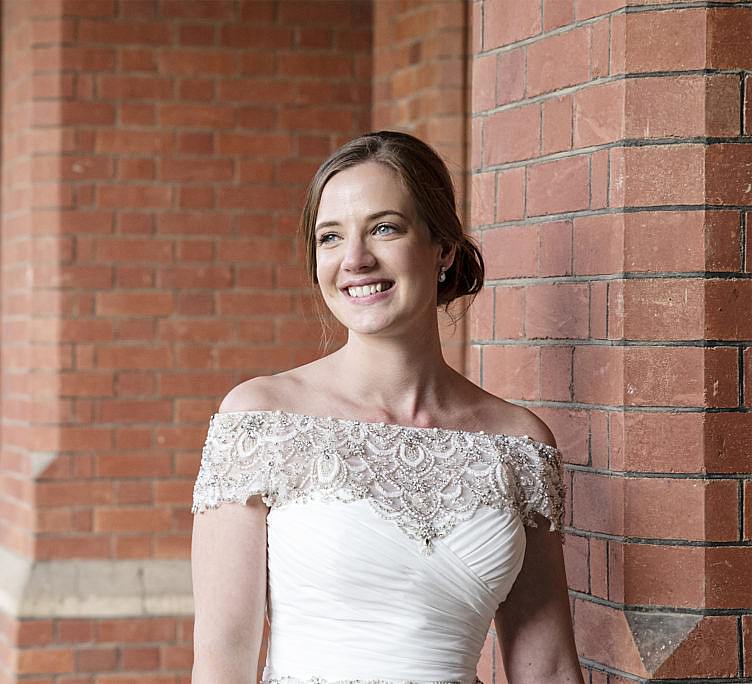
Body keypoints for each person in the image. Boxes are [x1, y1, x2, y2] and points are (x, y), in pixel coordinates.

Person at [190, 131, 584, 684]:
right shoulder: (261, 421)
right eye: (330, 237)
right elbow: (221, 662)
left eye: (384, 228)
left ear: (442, 249)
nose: (355, 259)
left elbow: (548, 668)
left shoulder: (519, 444)